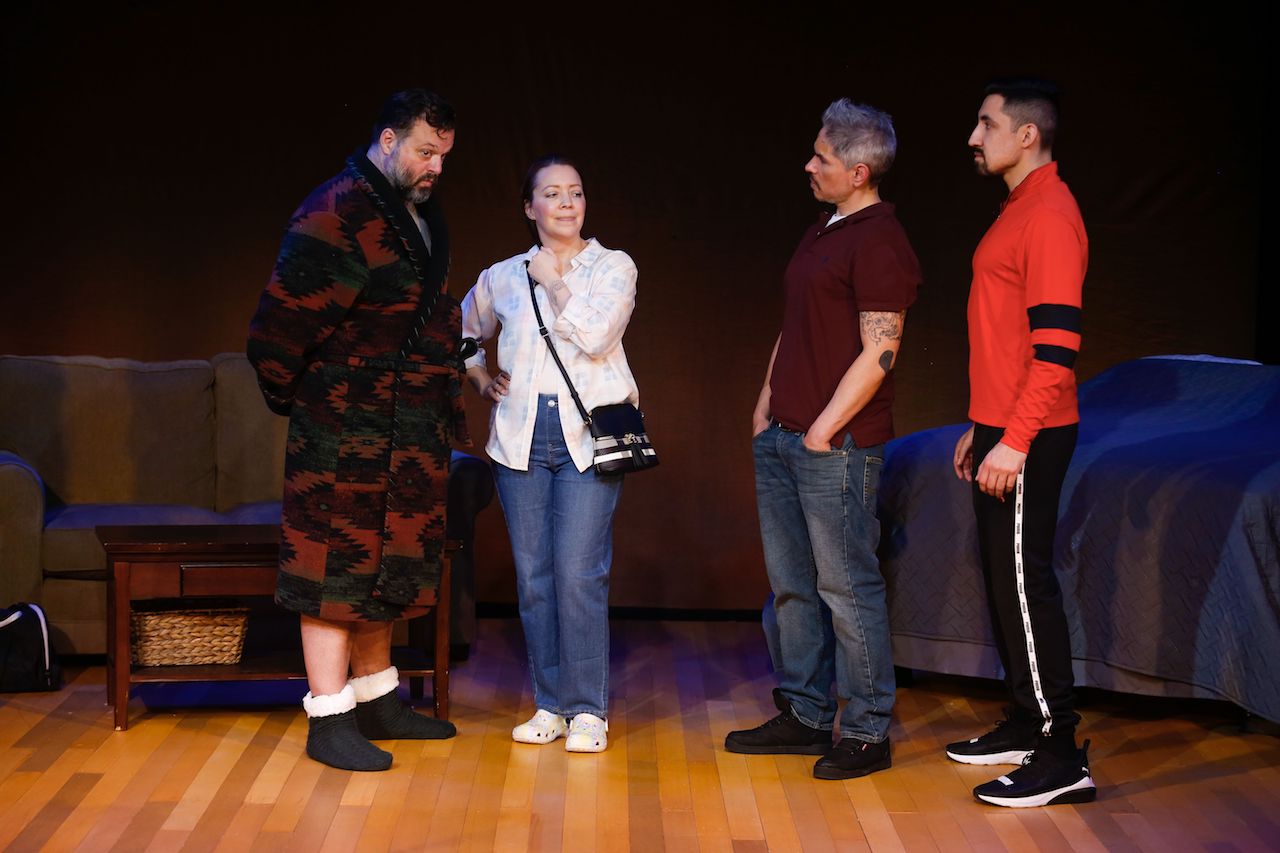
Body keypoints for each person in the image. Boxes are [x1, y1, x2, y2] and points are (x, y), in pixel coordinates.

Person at [247, 89, 465, 772]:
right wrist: (315, 402)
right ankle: (330, 713)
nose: (435, 167)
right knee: (333, 570)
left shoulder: (412, 215)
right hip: (344, 428)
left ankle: (377, 698)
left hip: (408, 430)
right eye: (426, 151)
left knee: (387, 567)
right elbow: (278, 334)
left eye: (444, 156)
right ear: (389, 140)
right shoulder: (336, 210)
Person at [724, 100, 921, 780]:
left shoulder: (880, 242)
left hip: (834, 449)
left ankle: (866, 730)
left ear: (859, 171)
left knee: (847, 589)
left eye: (823, 159)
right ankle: (807, 713)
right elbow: (796, 325)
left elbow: (881, 352)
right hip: (784, 436)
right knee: (793, 589)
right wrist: (765, 406)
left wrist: (822, 428)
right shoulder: (823, 230)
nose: (809, 165)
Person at [946, 78, 1097, 807]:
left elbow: (1056, 348)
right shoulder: (1017, 210)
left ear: (1027, 135)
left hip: (1031, 433)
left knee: (1028, 584)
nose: (974, 137)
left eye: (986, 123)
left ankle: (1062, 751)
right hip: (1002, 427)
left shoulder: (1050, 214)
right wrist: (982, 426)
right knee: (1005, 581)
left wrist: (1015, 440)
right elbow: (1001, 339)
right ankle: (1024, 721)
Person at [461, 156, 637, 754]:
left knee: (579, 573)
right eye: (552, 194)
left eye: (576, 193)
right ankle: (550, 704)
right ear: (529, 207)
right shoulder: (503, 275)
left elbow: (594, 336)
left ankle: (589, 709)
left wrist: (555, 282)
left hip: (586, 437)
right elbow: (461, 332)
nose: (567, 204)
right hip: (519, 436)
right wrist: (480, 376)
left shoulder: (613, 266)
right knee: (535, 578)